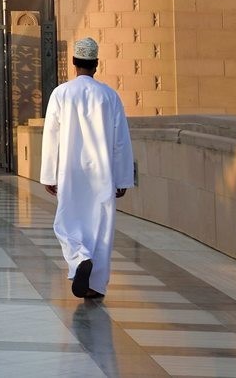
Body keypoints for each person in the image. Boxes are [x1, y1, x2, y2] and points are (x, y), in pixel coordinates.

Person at [39, 36, 134, 300]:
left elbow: (52, 136)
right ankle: (95, 286)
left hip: (70, 173)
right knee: (101, 228)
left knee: (66, 223)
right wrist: (123, 178)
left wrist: (49, 173)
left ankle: (80, 258)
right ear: (96, 64)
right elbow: (120, 140)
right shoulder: (109, 96)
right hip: (102, 173)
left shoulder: (61, 94)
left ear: (74, 63)